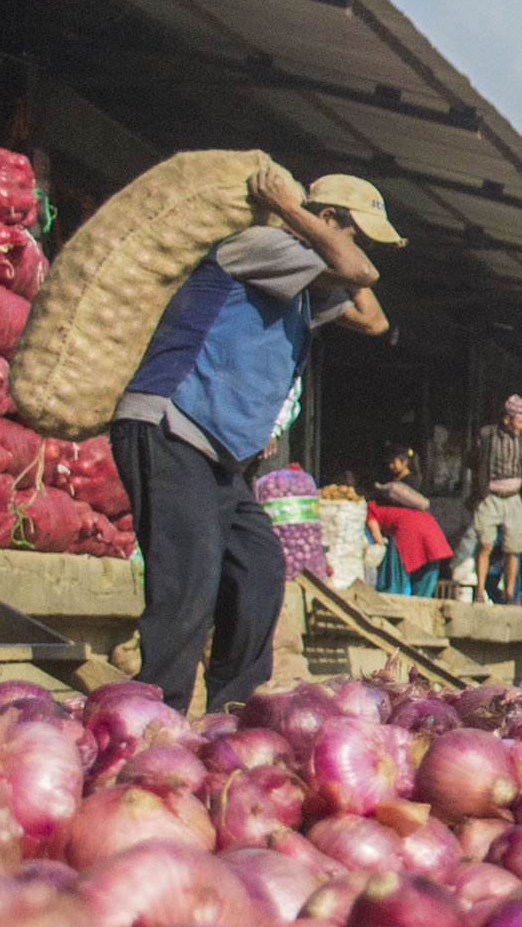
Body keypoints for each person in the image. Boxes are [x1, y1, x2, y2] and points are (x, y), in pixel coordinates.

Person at [109, 169, 396, 707]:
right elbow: (359, 269)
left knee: (258, 567)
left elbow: (372, 317)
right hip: (172, 422)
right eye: (354, 230)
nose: (357, 245)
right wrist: (293, 211)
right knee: (188, 582)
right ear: (328, 218)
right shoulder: (265, 245)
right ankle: (152, 715)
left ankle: (232, 712)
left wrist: (325, 237)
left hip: (215, 451)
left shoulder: (307, 273)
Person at [464, 395, 522, 602]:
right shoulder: (487, 436)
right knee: (485, 544)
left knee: (513, 549)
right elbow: (472, 460)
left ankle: (510, 594)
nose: (521, 427)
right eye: (519, 422)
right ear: (506, 419)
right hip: (490, 497)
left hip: (514, 500)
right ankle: (479, 591)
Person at [364, 447, 452, 596]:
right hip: (431, 529)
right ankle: (421, 603)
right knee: (425, 578)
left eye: (394, 462)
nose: (391, 466)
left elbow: (376, 536)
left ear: (405, 462)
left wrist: (378, 551)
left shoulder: (371, 509)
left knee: (393, 581)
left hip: (408, 530)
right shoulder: (397, 495)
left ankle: (391, 600)